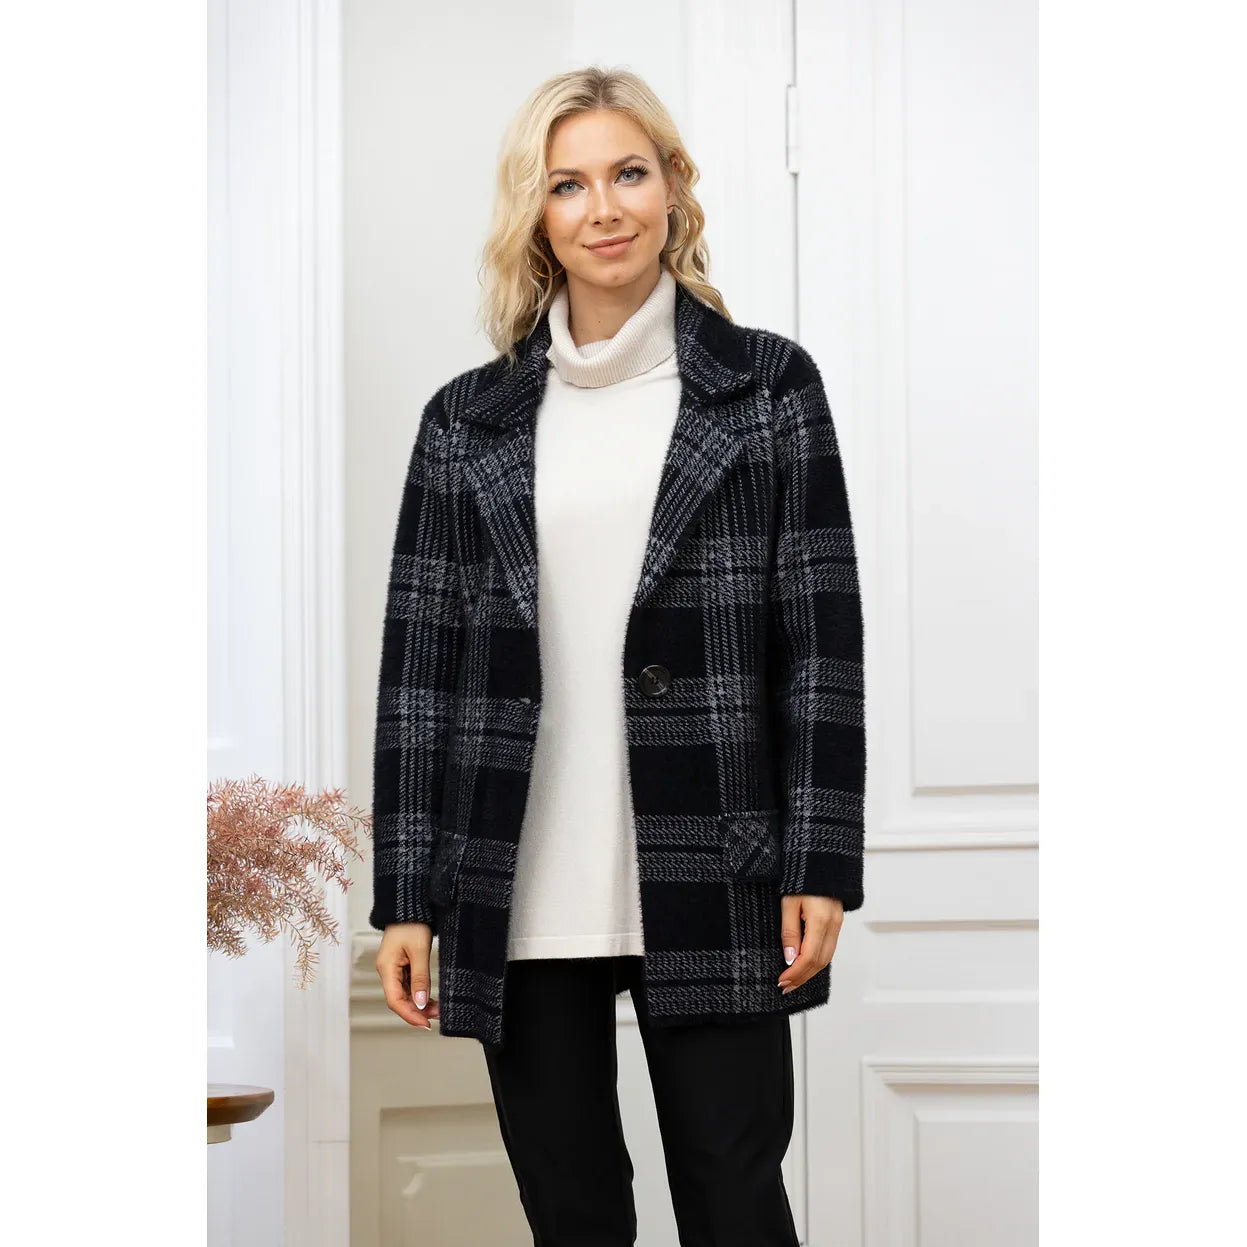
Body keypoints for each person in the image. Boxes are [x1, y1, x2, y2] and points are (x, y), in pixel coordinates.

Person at [371, 65, 866, 1247]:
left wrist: (820, 859)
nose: (603, 208)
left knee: (734, 1200)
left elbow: (819, 643)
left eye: (628, 173)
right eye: (568, 183)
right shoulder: (464, 421)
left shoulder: (767, 389)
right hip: (516, 872)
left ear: (673, 186)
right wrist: (403, 893)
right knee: (572, 1213)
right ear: (534, 212)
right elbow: (418, 671)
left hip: (718, 860)